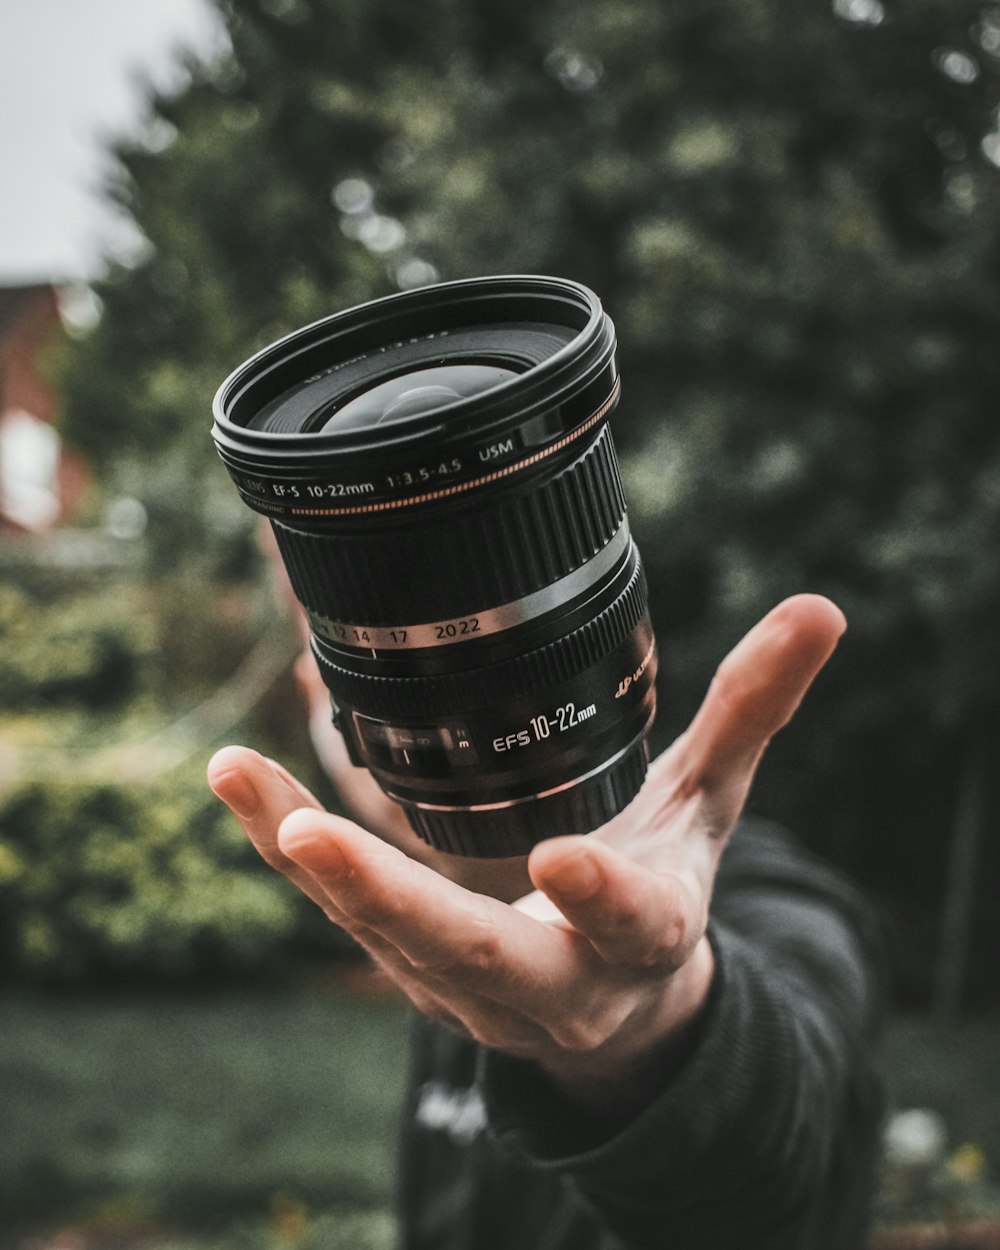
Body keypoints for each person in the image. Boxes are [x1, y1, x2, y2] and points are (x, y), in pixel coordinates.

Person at [207, 593, 885, 1250]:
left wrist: (655, 1036)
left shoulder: (775, 904)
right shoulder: (442, 929)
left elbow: (779, 1158)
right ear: (316, 697)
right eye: (364, 645)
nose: (436, 689)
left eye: (472, 635)